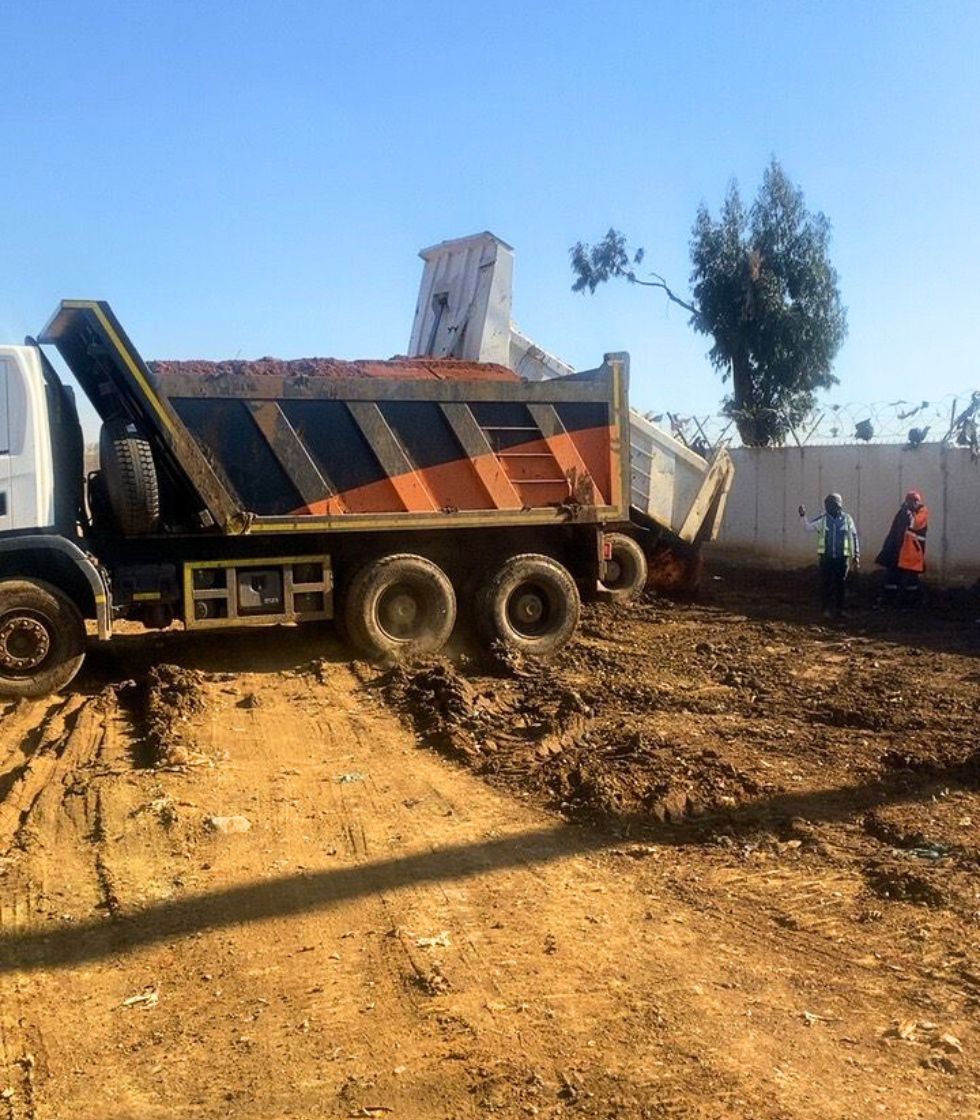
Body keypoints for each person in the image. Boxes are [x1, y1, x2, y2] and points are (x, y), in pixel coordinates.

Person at [798, 493, 860, 618]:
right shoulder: (823, 519)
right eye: (828, 505)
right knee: (826, 584)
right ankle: (825, 609)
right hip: (826, 559)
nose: (829, 508)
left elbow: (854, 537)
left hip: (842, 559)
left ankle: (840, 610)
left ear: (839, 506)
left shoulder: (847, 519)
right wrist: (802, 516)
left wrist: (856, 555)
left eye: (832, 505)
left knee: (841, 585)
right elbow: (807, 528)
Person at [875, 490, 929, 606]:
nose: (913, 503)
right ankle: (890, 599)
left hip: (913, 554)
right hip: (900, 552)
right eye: (911, 501)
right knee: (892, 577)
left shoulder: (922, 512)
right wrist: (888, 547)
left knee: (910, 580)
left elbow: (914, 524)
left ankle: (913, 601)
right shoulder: (903, 513)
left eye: (915, 501)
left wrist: (907, 512)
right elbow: (894, 531)